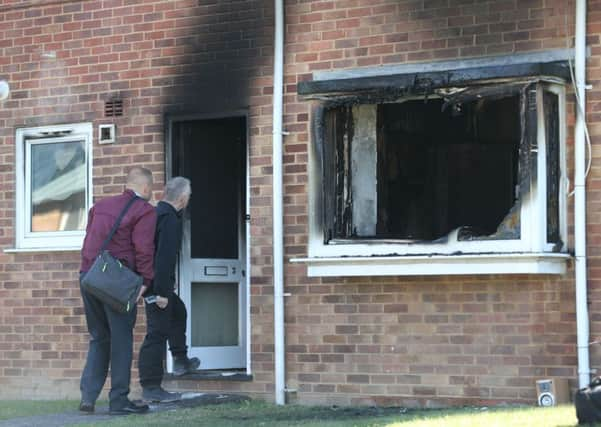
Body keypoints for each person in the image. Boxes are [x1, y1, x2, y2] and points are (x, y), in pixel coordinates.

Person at [79, 167, 156, 415]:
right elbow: (143, 248)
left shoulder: (99, 206)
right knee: (121, 341)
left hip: (89, 277)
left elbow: (88, 239)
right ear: (145, 188)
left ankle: (88, 397)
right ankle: (118, 401)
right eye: (151, 189)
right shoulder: (144, 210)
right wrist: (145, 281)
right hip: (117, 284)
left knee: (99, 338)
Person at [138, 176, 199, 403]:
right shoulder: (169, 220)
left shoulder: (155, 213)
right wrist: (161, 293)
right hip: (156, 285)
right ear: (183, 198)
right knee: (156, 334)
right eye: (189, 196)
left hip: (150, 282)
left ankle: (181, 361)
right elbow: (163, 258)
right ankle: (151, 386)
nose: (188, 199)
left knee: (178, 311)